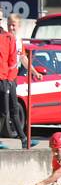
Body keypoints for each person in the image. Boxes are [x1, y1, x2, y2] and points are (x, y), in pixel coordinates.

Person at [0, 21, 26, 149]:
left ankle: (23, 138)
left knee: (12, 111)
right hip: (4, 79)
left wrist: (9, 80)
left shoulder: (9, 38)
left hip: (7, 79)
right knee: (4, 112)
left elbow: (14, 60)